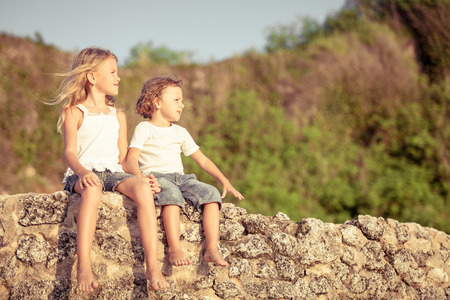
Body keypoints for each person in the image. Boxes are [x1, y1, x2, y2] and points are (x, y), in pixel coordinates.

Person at [48, 47, 169, 292]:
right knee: (92, 191)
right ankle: (84, 266)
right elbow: (70, 152)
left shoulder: (118, 115)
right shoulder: (74, 111)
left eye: (117, 72)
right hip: (83, 172)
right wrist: (82, 173)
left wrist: (141, 178)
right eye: (112, 72)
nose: (118, 77)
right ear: (92, 77)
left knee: (144, 190)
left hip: (113, 172)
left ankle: (152, 266)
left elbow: (123, 158)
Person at [126, 74, 244, 268]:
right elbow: (132, 158)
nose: (182, 105)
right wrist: (140, 179)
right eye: (176, 100)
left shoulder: (180, 132)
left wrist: (224, 180)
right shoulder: (144, 128)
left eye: (182, 100)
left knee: (211, 194)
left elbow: (202, 160)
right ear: (156, 102)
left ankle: (212, 248)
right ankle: (174, 248)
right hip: (158, 178)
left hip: (182, 178)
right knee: (171, 195)